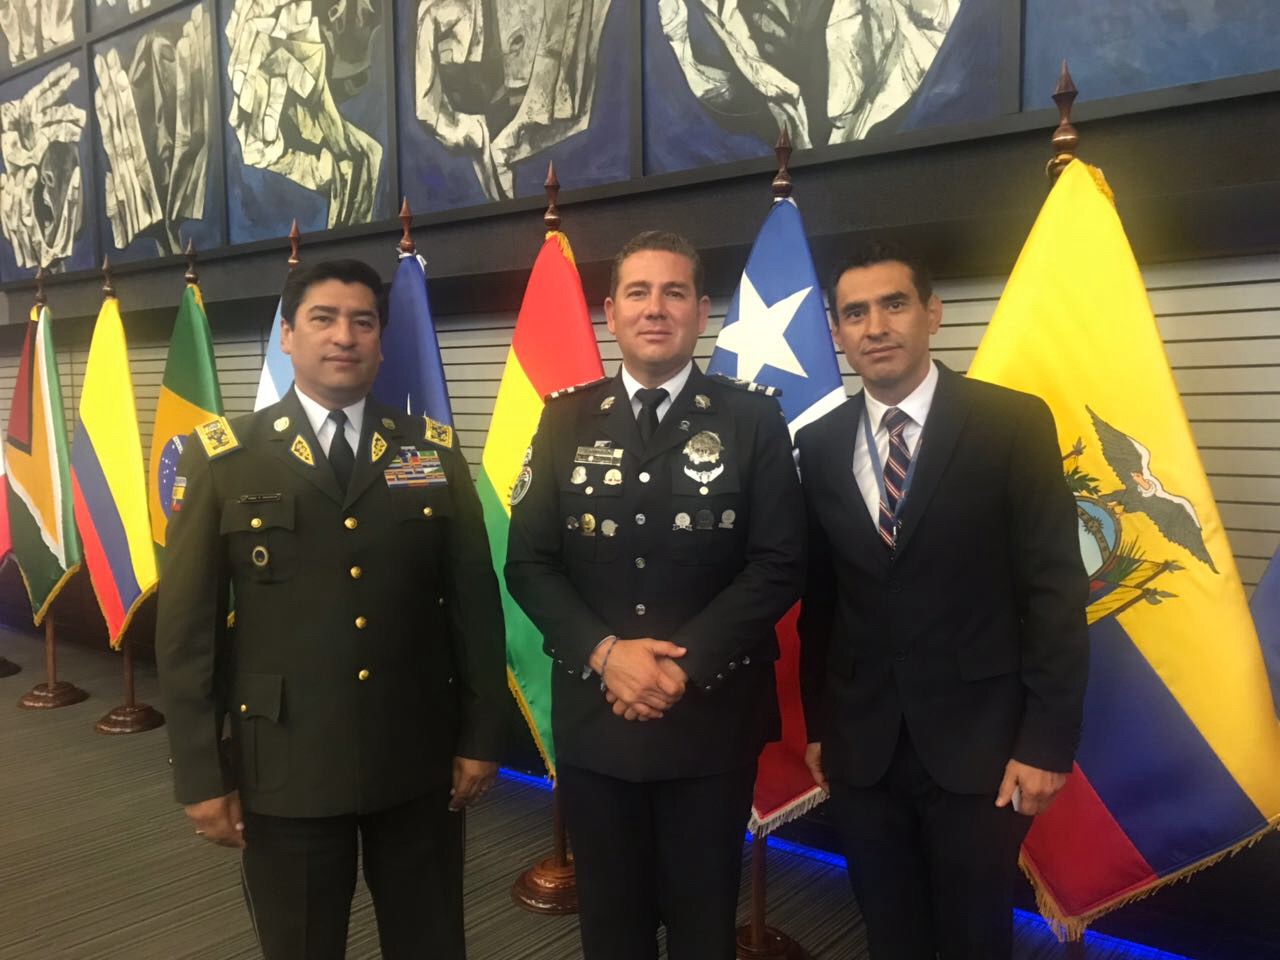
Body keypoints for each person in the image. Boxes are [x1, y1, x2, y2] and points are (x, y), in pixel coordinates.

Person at [155, 258, 506, 960]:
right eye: (323, 318)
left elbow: (473, 603)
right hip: (287, 765)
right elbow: (189, 633)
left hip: (414, 758)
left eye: (363, 322)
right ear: (287, 336)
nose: (344, 336)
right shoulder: (226, 458)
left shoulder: (429, 451)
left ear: (381, 341)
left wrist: (481, 736)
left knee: (431, 941)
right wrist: (200, 772)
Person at [505, 230, 806, 960]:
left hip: (710, 720)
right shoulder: (565, 417)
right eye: (637, 292)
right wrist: (608, 655)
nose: (655, 308)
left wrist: (679, 665)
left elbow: (780, 562)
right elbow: (529, 562)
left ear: (702, 312)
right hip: (597, 718)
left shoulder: (751, 418)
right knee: (611, 926)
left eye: (675, 292)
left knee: (704, 926)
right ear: (611, 313)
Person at [797, 241, 1089, 959]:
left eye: (894, 304)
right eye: (855, 313)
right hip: (863, 747)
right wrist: (820, 724)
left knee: (973, 937)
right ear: (836, 332)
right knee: (889, 932)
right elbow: (822, 599)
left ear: (932, 313)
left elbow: (1054, 589)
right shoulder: (821, 443)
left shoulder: (1011, 423)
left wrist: (1046, 742)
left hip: (981, 747)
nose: (875, 327)